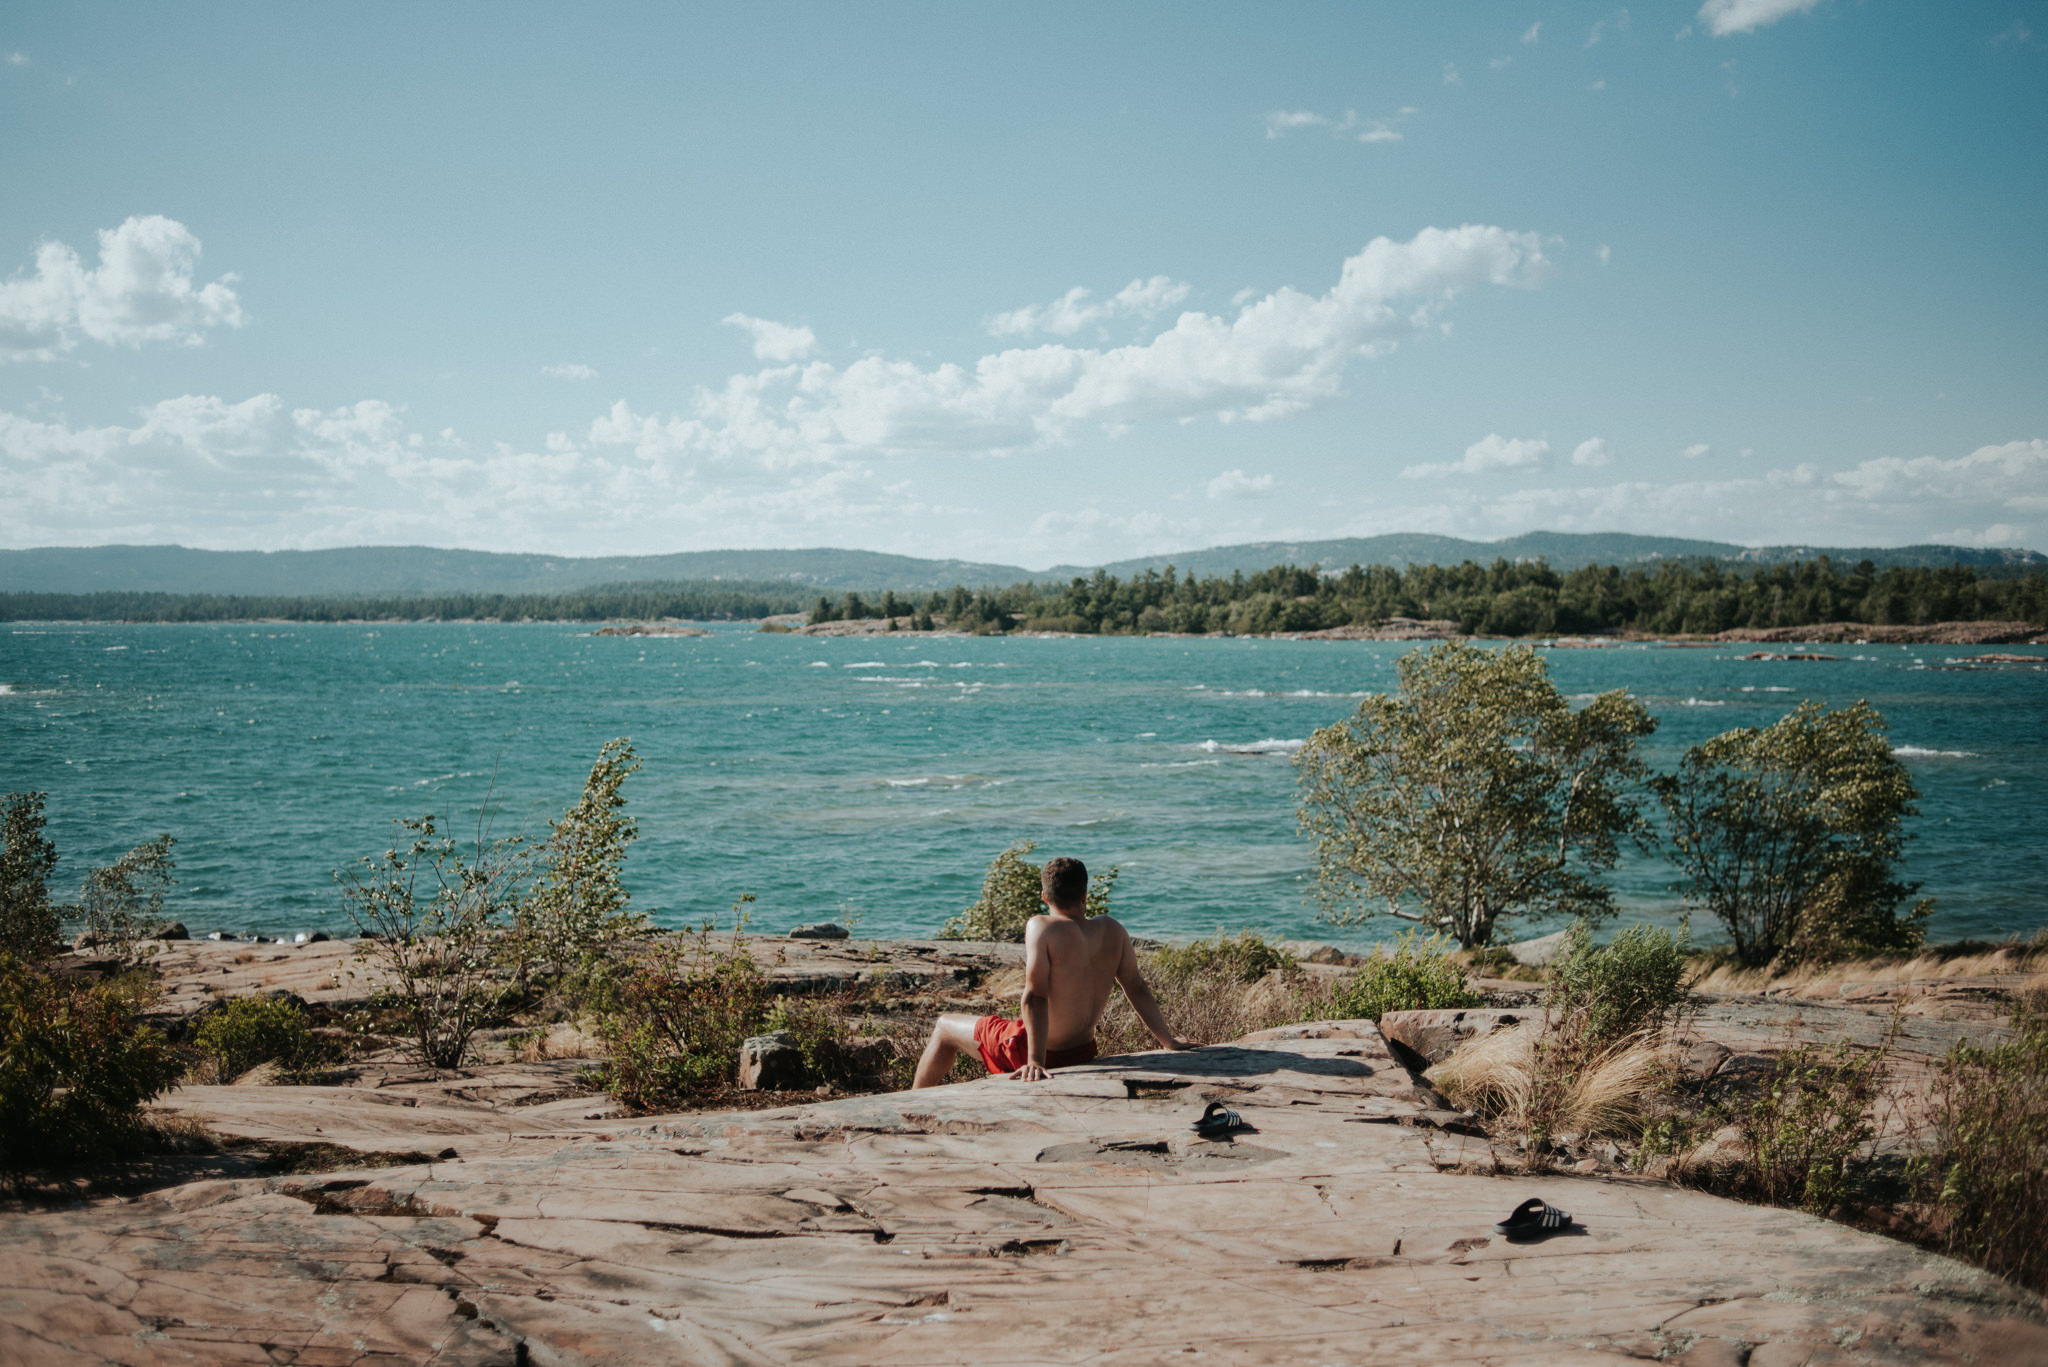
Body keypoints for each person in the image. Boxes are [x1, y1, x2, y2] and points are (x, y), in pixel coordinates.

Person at [912, 855, 1195, 1087]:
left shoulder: (1042, 926)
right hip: (1082, 1051)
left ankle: (912, 1103)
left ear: (1045, 897)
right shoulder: (1113, 930)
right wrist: (1168, 1041)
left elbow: (1035, 996)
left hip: (1033, 1051)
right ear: (1085, 894)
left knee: (944, 1026)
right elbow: (1136, 986)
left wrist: (1034, 1061)